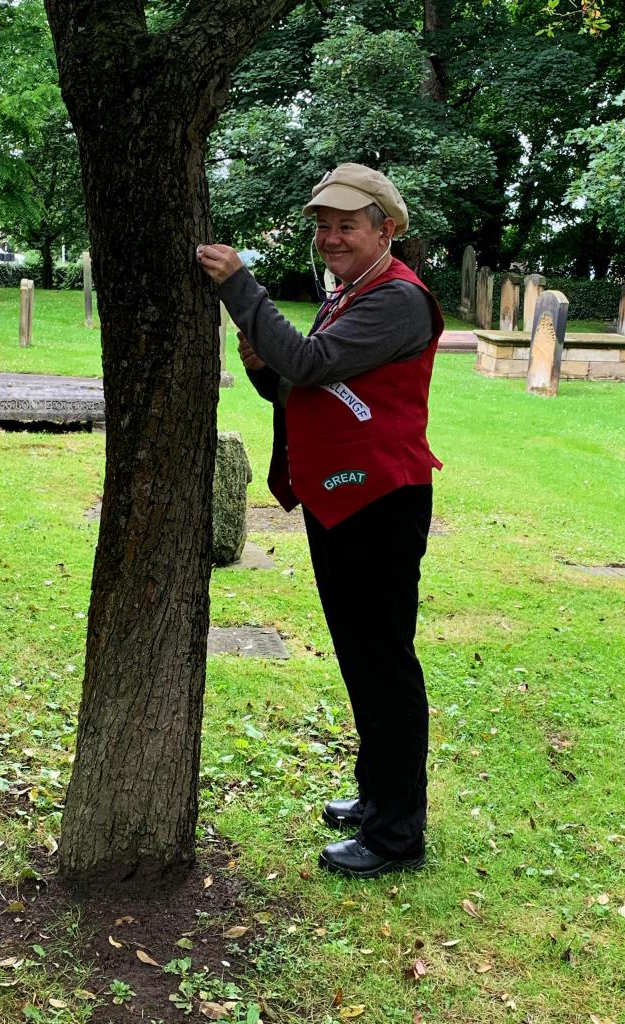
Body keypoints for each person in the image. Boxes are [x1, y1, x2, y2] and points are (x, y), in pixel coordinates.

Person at [197, 163, 443, 879]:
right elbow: (311, 383)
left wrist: (240, 288)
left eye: (347, 225)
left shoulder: (397, 299)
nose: (331, 238)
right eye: (323, 226)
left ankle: (397, 833)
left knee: (383, 663)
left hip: (381, 502)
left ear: (385, 229)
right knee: (363, 658)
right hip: (345, 495)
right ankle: (378, 797)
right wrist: (263, 368)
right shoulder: (354, 292)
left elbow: (309, 362)